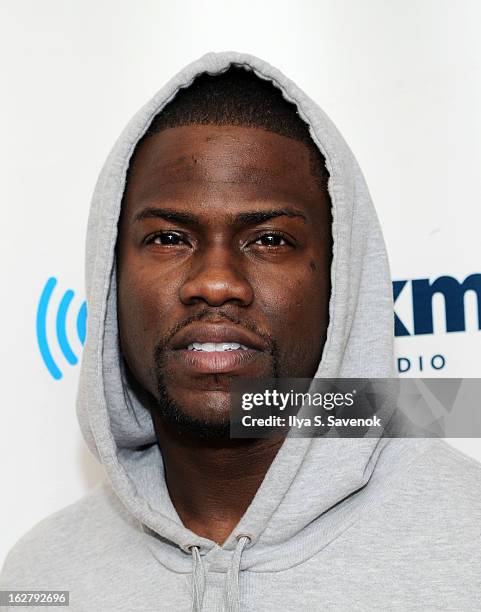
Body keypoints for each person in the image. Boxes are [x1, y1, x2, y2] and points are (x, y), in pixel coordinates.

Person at [1, 51, 480, 612]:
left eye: (270, 240)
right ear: (111, 279)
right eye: (169, 238)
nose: (216, 282)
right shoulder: (41, 577)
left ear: (342, 280)